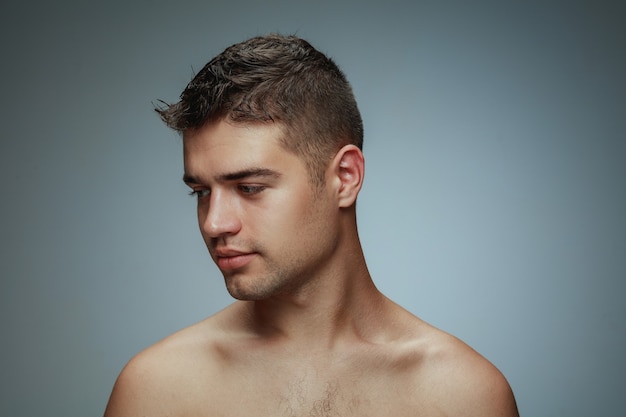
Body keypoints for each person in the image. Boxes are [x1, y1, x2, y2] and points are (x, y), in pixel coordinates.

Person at [104, 34, 519, 417]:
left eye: (249, 187)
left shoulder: (463, 395)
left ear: (345, 177)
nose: (214, 224)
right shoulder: (157, 391)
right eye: (201, 192)